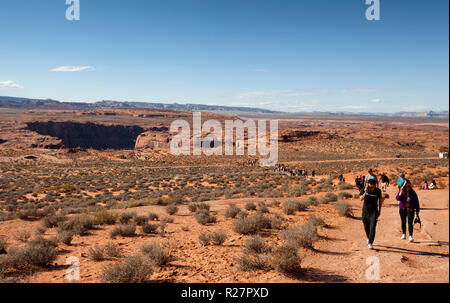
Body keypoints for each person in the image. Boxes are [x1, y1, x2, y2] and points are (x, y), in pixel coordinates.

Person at [360, 179, 383, 249]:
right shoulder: (364, 189)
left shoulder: (378, 191)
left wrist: (379, 210)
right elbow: (361, 198)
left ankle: (370, 242)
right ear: (368, 184)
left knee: (373, 227)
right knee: (366, 227)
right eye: (371, 186)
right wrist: (365, 193)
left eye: (373, 186)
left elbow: (380, 200)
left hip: (374, 211)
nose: (372, 187)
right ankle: (369, 238)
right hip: (365, 211)